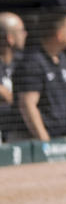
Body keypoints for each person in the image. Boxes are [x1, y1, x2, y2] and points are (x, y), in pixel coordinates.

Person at [15, 10, 66, 140]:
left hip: (58, 136)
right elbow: (28, 105)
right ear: (59, 34)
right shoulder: (32, 61)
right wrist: (45, 142)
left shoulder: (63, 59)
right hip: (31, 139)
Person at [0, 11, 27, 141]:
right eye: (21, 31)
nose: (25, 34)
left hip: (19, 129)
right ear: (10, 38)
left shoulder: (24, 61)